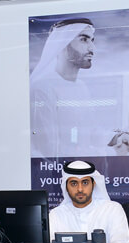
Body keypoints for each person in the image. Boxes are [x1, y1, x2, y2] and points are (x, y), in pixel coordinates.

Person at [30, 18, 99, 158]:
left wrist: (117, 138)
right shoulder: (42, 88)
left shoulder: (82, 87)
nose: (92, 48)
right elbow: (48, 149)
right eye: (84, 40)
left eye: (92, 40)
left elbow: (91, 131)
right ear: (62, 45)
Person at [49, 160, 129, 243]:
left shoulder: (113, 209)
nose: (80, 189)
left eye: (85, 183)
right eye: (74, 183)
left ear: (93, 184)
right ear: (66, 187)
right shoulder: (56, 215)